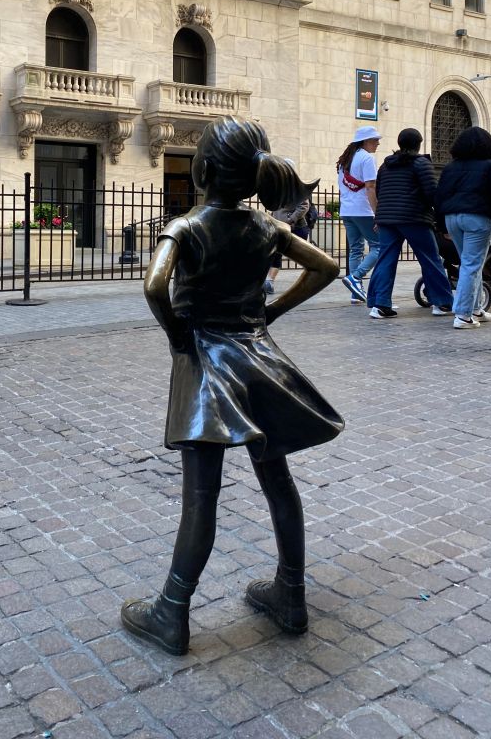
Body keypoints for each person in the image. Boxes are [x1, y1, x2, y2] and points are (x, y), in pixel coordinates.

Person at [120, 117, 344, 656]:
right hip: (259, 360)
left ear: (203, 170)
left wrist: (178, 333)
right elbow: (327, 267)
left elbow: (154, 285)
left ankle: (172, 611)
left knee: (202, 497)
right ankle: (291, 594)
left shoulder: (187, 225)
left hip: (205, 363)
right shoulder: (266, 228)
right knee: (277, 479)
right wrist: (271, 312)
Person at [367, 128, 454, 319]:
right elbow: (432, 194)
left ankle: (380, 305)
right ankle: (441, 302)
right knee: (430, 259)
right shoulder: (421, 164)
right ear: (419, 144)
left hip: (387, 219)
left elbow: (380, 192)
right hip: (414, 218)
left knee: (386, 259)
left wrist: (380, 216)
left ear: (399, 143)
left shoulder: (385, 165)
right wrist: (441, 222)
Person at [434, 126, 491, 329]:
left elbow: (440, 196)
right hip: (477, 218)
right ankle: (463, 315)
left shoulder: (451, 167)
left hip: (452, 218)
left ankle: (475, 308)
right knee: (472, 264)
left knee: (468, 263)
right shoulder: (489, 166)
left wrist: (441, 226)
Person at [336, 126, 381, 304]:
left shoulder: (345, 160)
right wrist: (377, 213)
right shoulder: (367, 158)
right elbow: (370, 187)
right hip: (364, 210)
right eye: (375, 140)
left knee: (356, 249)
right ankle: (355, 277)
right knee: (379, 246)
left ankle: (356, 293)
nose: (378, 143)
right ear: (365, 141)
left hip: (347, 210)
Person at [264, 196, 311, 294]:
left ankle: (312, 277)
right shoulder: (277, 191)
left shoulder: (296, 190)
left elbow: (304, 206)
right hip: (280, 227)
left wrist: (291, 219)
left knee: (303, 256)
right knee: (276, 253)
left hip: (296, 228)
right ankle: (269, 281)